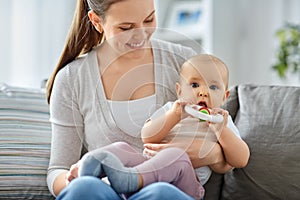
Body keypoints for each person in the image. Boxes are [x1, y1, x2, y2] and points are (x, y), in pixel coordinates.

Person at [46, 0, 235, 199]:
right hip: (108, 191)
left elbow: (229, 152)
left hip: (170, 188)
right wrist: (73, 178)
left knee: (160, 192)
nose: (141, 34)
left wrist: (211, 153)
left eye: (149, 19)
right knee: (84, 188)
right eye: (126, 27)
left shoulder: (184, 62)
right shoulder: (72, 78)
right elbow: (58, 168)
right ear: (96, 21)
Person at [77, 54, 250, 200]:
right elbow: (148, 136)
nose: (203, 92)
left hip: (186, 185)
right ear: (180, 91)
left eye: (213, 87)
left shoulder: (221, 121)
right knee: (122, 148)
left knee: (176, 155)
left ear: (225, 96)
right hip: (147, 167)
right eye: (195, 85)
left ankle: (129, 180)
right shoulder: (172, 110)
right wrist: (173, 116)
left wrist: (221, 131)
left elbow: (241, 159)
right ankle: (93, 165)